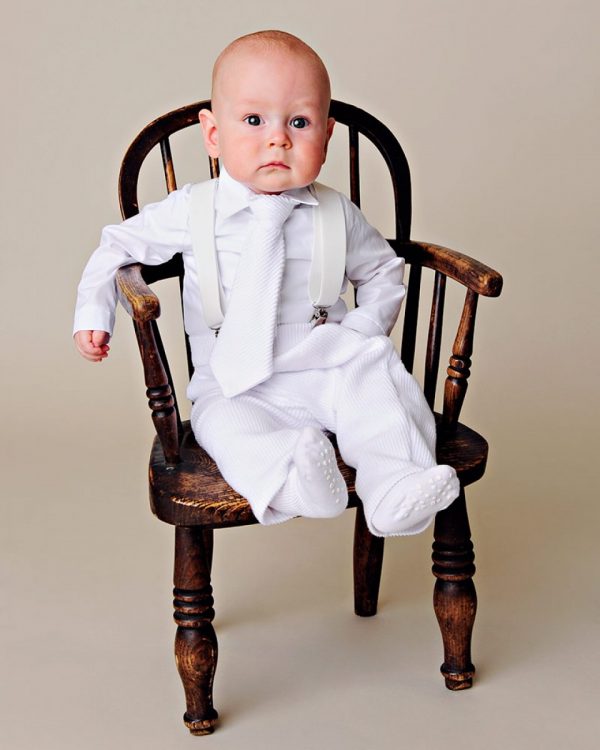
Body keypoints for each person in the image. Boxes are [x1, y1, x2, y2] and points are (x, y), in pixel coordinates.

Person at [74, 30, 460, 536]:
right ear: (213, 134)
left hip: (325, 361)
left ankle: (395, 487)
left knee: (381, 387)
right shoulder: (193, 209)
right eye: (254, 120)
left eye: (299, 122)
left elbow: (383, 272)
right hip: (232, 380)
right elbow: (117, 246)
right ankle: (298, 477)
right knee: (228, 430)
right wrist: (94, 313)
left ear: (326, 135)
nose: (278, 138)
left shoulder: (336, 212)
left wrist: (361, 331)